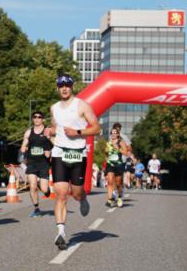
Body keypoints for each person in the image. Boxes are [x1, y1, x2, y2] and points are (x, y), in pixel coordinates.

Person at [47, 74, 101, 250]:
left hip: (77, 154)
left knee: (76, 193)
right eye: (61, 85)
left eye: (67, 85)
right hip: (59, 153)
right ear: (57, 88)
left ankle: (82, 199)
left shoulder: (82, 106)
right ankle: (61, 232)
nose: (64, 88)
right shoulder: (53, 108)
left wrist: (78, 132)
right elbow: (56, 127)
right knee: (61, 193)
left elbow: (96, 128)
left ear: (72, 87)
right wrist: (51, 131)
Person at [19, 110, 52, 218]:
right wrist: (24, 148)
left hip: (43, 164)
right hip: (32, 163)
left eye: (39, 117)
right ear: (33, 119)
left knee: (44, 189)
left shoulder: (47, 131)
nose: (37, 119)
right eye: (35, 117)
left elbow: (56, 143)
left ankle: (46, 190)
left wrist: (49, 149)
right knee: (32, 187)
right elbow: (23, 146)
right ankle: (36, 209)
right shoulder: (29, 132)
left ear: (42, 119)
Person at [104, 124, 130, 207]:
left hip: (118, 164)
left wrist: (118, 148)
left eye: (115, 133)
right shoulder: (108, 142)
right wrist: (106, 157)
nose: (113, 134)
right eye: (112, 133)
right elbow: (106, 153)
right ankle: (109, 199)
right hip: (110, 164)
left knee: (118, 183)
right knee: (110, 181)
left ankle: (119, 197)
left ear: (118, 134)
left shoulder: (121, 142)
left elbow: (126, 153)